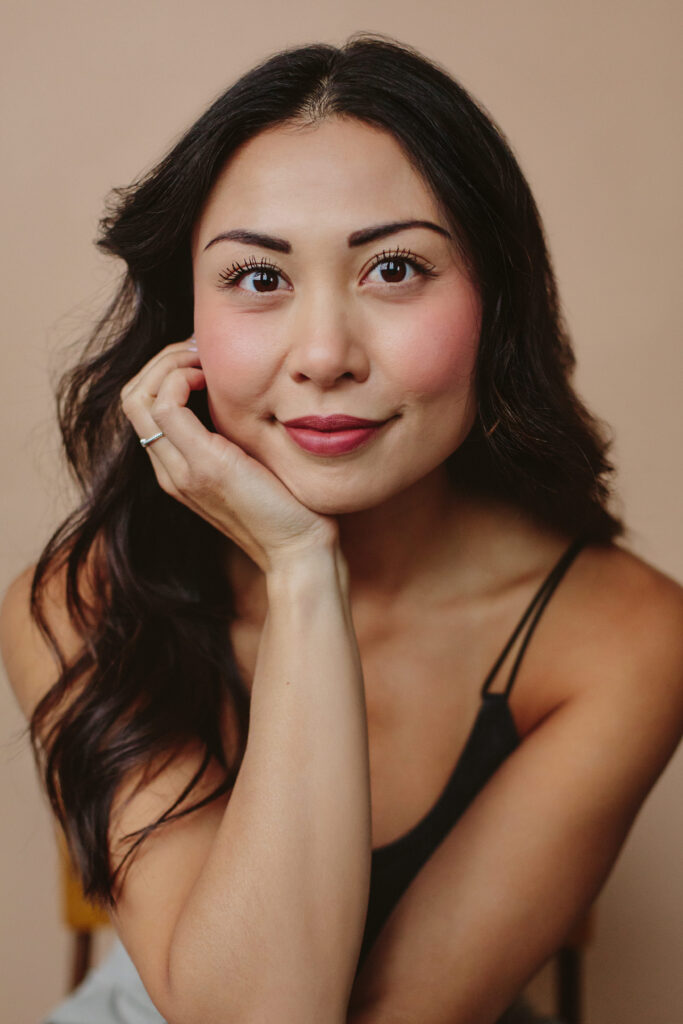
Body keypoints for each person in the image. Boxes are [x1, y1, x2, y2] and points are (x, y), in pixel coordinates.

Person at [2, 31, 682, 1024]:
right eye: (259, 279)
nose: (323, 353)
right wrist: (301, 564)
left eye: (395, 268)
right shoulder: (79, 599)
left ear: (496, 305)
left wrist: (294, 561)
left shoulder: (619, 636)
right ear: (183, 315)